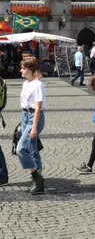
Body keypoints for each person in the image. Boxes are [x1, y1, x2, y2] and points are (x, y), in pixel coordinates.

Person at [18, 59, 46, 195]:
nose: (21, 70)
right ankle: (38, 180)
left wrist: (34, 127)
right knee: (32, 148)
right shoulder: (25, 83)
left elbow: (38, 107)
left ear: (31, 69)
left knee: (21, 148)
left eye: (23, 68)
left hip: (35, 117)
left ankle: (35, 175)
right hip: (25, 116)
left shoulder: (38, 85)